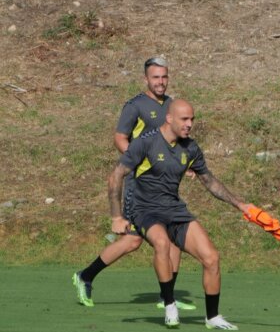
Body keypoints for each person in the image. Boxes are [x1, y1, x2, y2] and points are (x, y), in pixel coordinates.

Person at [108, 99, 253, 330]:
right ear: (169, 118)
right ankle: (169, 304)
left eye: (192, 119)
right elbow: (116, 176)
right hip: (144, 209)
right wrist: (117, 216)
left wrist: (240, 205)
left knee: (211, 258)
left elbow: (210, 182)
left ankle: (212, 317)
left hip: (174, 210)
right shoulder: (145, 143)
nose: (190, 124)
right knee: (162, 244)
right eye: (184, 119)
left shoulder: (191, 148)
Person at [72, 57, 194, 311]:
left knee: (173, 237)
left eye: (164, 77)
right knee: (132, 240)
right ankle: (85, 276)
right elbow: (119, 137)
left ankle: (166, 296)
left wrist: (184, 163)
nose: (160, 82)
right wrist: (139, 163)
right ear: (146, 79)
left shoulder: (172, 105)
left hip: (163, 185)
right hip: (140, 186)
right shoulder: (135, 106)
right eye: (155, 77)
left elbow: (176, 143)